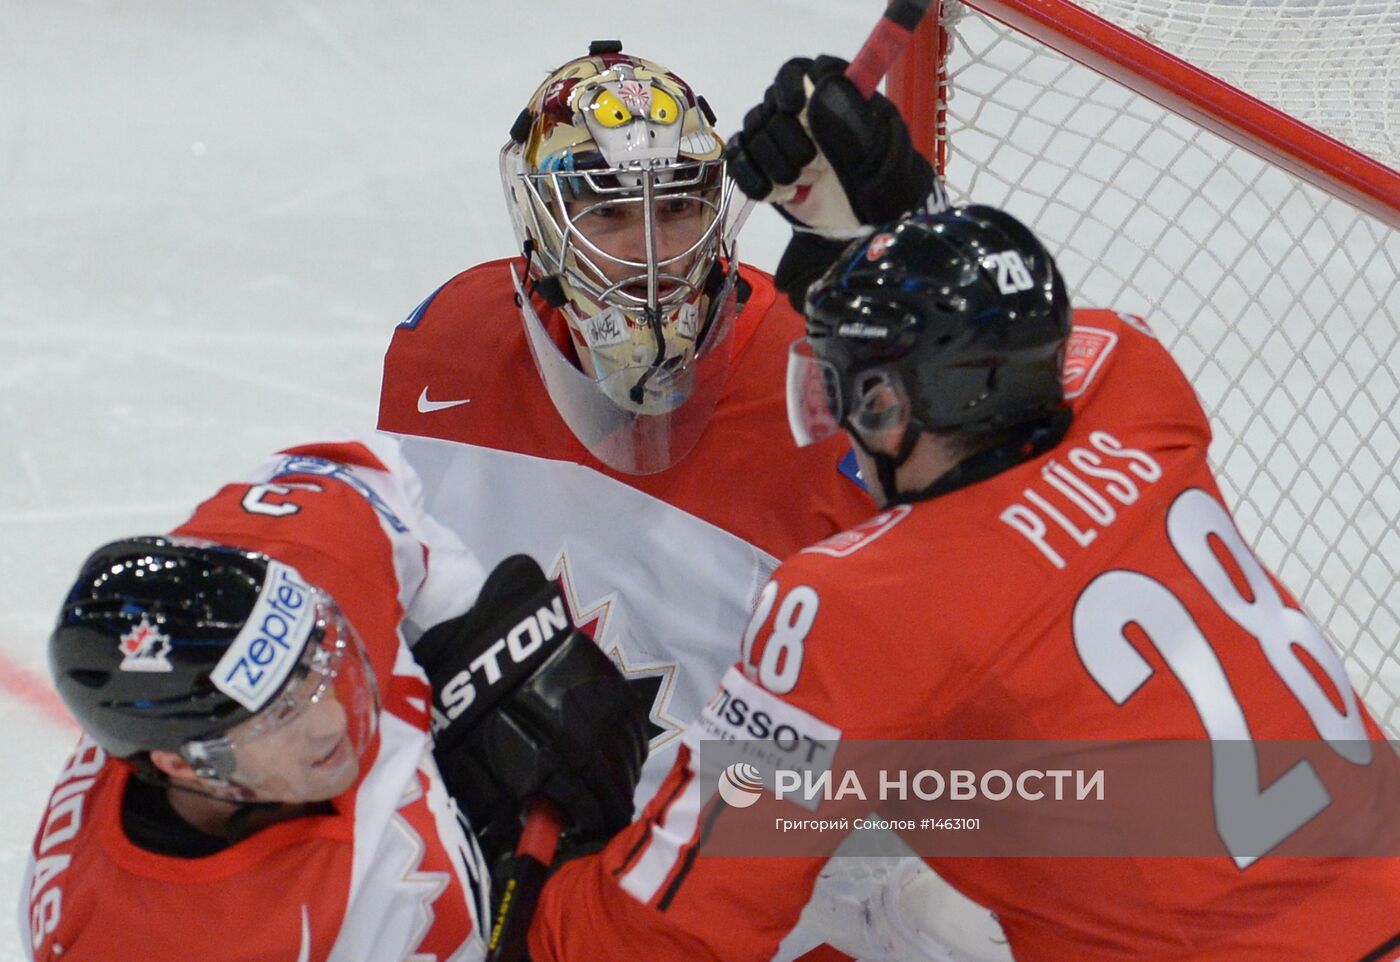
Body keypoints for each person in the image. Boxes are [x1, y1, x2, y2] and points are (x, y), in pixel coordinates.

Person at [503, 58, 1400, 961]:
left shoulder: (855, 610)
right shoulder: (1140, 388)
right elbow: (1029, 340)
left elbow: (672, 931)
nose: (838, 435)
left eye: (848, 398)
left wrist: (538, 893)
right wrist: (897, 221)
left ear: (894, 410)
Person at [375, 43, 895, 838]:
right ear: (540, 222)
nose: (651, 257)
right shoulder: (449, 345)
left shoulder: (816, 395)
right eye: (609, 210)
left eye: (679, 205)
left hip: (723, 881)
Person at [22, 436, 647, 961]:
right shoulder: (118, 937)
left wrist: (481, 640)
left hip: (628, 857)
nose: (329, 721)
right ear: (185, 766)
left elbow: (364, 476)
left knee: (739, 847)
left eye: (318, 662)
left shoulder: (307, 558)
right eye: (279, 716)